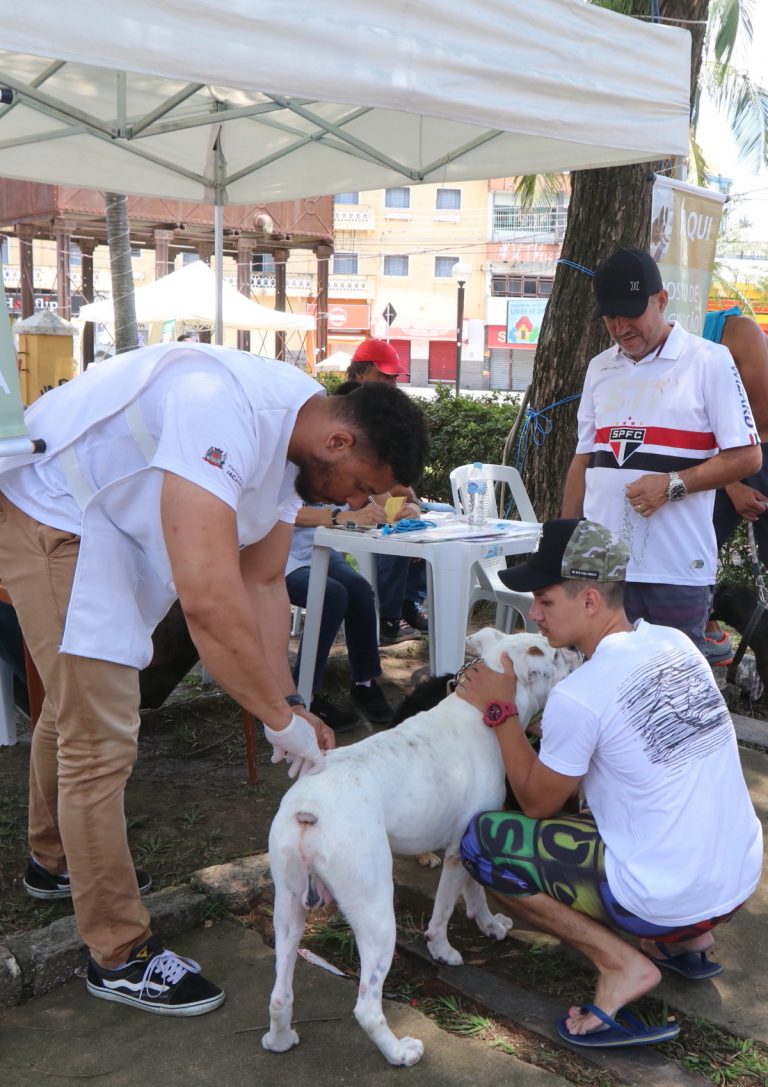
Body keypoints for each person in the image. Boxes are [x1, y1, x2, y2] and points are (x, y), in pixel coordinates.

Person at [0, 340, 427, 1016]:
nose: (358, 503)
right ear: (340, 439)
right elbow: (206, 594)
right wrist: (278, 720)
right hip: (53, 506)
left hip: (109, 523)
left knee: (77, 706)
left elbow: (260, 582)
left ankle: (54, 861)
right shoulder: (222, 406)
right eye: (363, 487)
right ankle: (117, 952)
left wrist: (285, 697)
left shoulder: (301, 438)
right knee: (100, 734)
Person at [457, 518, 762, 1048]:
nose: (534, 614)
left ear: (590, 600)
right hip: (735, 880)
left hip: (665, 896)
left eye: (545, 601)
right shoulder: (677, 644)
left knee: (483, 845)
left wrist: (501, 709)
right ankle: (686, 944)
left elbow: (536, 805)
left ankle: (622, 964)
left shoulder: (582, 694)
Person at [562, 246, 761, 653]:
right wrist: (568, 550)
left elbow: (747, 457)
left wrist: (672, 484)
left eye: (630, 313)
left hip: (675, 573)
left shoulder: (710, 361)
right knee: (602, 685)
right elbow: (584, 460)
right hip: (604, 571)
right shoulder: (600, 367)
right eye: (610, 317)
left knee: (668, 701)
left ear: (662, 301)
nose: (620, 327)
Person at [346, 339, 430, 642]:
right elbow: (359, 476)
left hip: (379, 491)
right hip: (347, 498)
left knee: (438, 515)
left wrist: (416, 503)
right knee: (394, 529)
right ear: (361, 373)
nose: (392, 384)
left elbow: (394, 472)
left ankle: (409, 600)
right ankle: (387, 617)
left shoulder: (382, 410)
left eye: (395, 378)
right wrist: (398, 506)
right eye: (385, 376)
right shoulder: (348, 409)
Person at [285, 502, 396, 729]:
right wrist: (339, 515)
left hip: (319, 547)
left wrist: (408, 506)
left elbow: (382, 495)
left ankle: (364, 683)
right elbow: (287, 511)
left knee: (359, 590)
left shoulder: (341, 469)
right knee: (331, 596)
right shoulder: (286, 467)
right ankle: (304, 696)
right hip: (277, 554)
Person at [704, 308, 768, 653]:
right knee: (697, 543)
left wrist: (730, 480)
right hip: (726, 458)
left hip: (749, 449)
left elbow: (758, 417)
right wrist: (729, 485)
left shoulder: (736, 331)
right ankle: (702, 623)